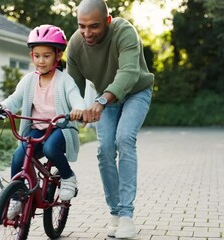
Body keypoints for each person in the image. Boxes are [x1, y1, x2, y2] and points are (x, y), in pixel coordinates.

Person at [66, 0, 154, 238]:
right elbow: (72, 86)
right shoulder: (75, 45)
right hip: (104, 98)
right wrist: (76, 108)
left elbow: (129, 72)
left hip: (135, 92)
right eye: (82, 26)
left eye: (93, 26)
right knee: (104, 149)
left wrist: (101, 101)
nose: (87, 33)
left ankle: (126, 216)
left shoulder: (124, 31)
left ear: (107, 20)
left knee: (124, 139)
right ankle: (115, 212)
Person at [0, 24, 86, 218]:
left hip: (60, 128)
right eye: (37, 55)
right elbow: (14, 99)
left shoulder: (64, 81)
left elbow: (76, 98)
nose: (41, 60)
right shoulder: (28, 80)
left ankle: (68, 177)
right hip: (36, 128)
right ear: (32, 56)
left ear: (57, 56)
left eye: (47, 56)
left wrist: (79, 109)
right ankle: (17, 197)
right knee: (18, 156)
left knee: (50, 149)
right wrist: (1, 106)